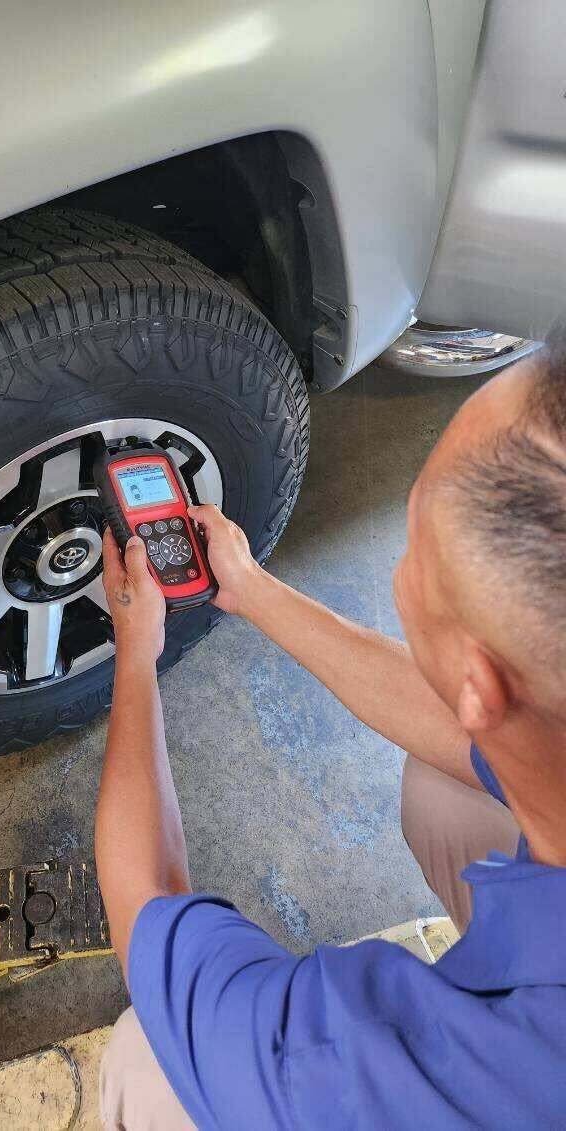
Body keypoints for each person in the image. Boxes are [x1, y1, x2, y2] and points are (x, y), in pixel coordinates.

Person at [94, 331, 566, 1130]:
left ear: (477, 685)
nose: (397, 570)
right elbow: (463, 728)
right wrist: (247, 588)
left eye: (416, 550)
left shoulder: (377, 1065)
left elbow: (149, 910)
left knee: (148, 1057)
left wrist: (136, 651)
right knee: (442, 782)